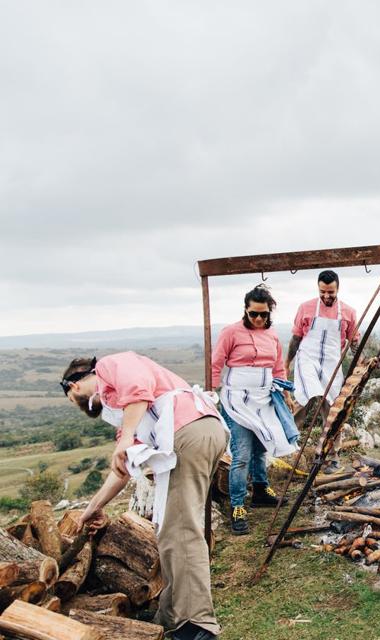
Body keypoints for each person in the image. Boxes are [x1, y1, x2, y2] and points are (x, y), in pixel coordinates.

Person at [61, 352, 227, 640]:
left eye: (73, 403)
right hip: (200, 430)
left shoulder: (110, 366)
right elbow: (121, 469)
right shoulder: (126, 411)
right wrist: (93, 508)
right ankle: (172, 614)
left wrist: (125, 440)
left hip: (187, 433)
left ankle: (198, 625)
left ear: (73, 387)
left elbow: (138, 388)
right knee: (171, 530)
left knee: (180, 532)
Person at [211, 284, 298, 536]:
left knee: (262, 445)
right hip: (237, 399)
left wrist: (285, 394)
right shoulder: (231, 333)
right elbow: (216, 364)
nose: (258, 319)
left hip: (264, 397)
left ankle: (261, 490)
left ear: (270, 313)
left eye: (263, 314)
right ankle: (238, 505)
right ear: (245, 311)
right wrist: (210, 394)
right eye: (253, 314)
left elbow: (278, 368)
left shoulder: (271, 336)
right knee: (242, 453)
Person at [287, 270, 359, 430]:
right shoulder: (306, 308)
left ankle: (331, 449)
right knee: (306, 396)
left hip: (332, 362)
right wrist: (286, 364)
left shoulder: (348, 312)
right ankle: (288, 444)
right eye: (323, 292)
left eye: (331, 292)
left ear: (338, 289)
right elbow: (296, 338)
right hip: (307, 359)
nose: (326, 296)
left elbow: (354, 341)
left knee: (332, 404)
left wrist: (361, 363)